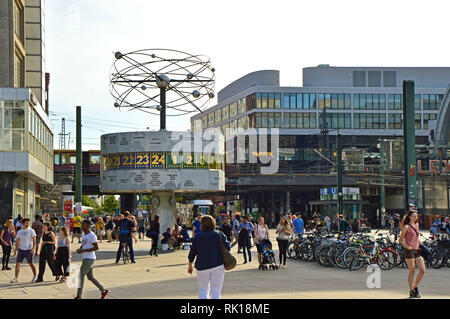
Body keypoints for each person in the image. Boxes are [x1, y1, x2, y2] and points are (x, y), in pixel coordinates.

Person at [188, 215, 230, 299]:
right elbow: (228, 247)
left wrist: (190, 266)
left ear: (202, 225)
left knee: (203, 290)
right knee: (216, 292)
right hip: (217, 265)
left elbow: (192, 253)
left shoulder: (198, 236)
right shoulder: (219, 235)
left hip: (202, 266)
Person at [75, 220, 109, 299]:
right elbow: (83, 244)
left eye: (83, 225)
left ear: (87, 226)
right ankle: (103, 290)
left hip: (89, 258)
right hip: (85, 258)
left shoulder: (92, 235)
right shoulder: (83, 234)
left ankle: (78, 296)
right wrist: (80, 249)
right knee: (90, 277)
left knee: (81, 275)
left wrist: (83, 250)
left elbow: (96, 247)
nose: (81, 226)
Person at [399, 210, 425, 298]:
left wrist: (419, 243)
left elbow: (416, 237)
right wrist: (407, 246)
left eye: (416, 216)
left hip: (417, 249)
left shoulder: (417, 225)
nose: (415, 217)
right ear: (409, 217)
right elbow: (401, 240)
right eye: (414, 216)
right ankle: (411, 291)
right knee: (412, 270)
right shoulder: (406, 227)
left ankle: (415, 286)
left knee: (422, 270)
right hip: (409, 250)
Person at [10, 218, 37, 283]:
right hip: (21, 250)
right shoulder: (20, 232)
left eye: (28, 223)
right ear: (23, 223)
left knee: (31, 264)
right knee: (17, 264)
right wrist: (15, 250)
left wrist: (33, 248)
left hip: (29, 250)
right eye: (26, 223)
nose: (27, 224)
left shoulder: (31, 230)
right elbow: (17, 241)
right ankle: (16, 278)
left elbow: (34, 240)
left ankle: (35, 276)